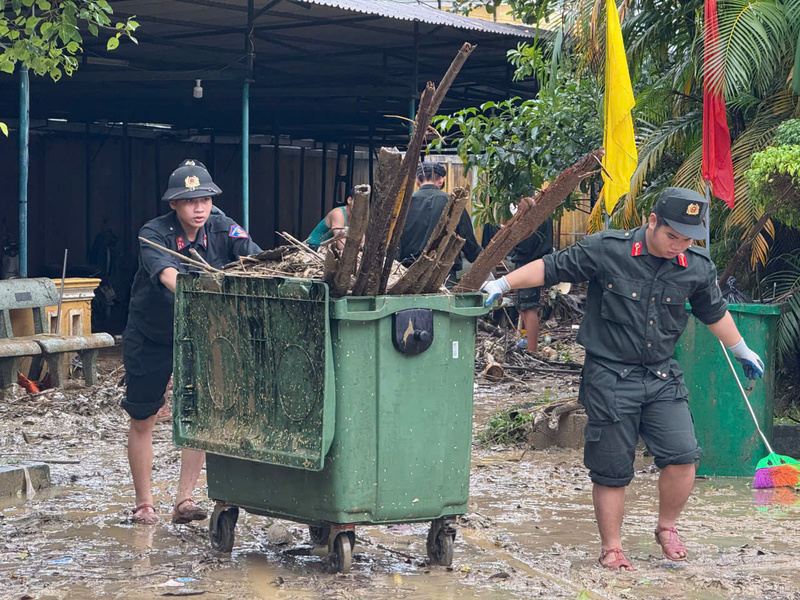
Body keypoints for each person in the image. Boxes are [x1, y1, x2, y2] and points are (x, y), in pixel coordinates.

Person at [481, 187, 765, 570]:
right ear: (652, 221)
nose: (678, 245)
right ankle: (612, 547)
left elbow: (714, 312)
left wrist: (741, 349)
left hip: (661, 374)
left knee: (684, 456)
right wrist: (503, 284)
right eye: (672, 236)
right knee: (613, 468)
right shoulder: (608, 249)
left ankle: (667, 528)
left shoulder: (695, 265)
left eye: (686, 239)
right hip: (610, 375)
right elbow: (552, 267)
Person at [123, 159, 261, 525]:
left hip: (202, 334)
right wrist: (215, 291)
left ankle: (185, 499)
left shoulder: (222, 226)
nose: (199, 208)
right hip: (152, 333)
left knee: (201, 416)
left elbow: (255, 260)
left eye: (205, 199)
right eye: (189, 201)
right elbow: (170, 277)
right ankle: (144, 504)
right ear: (173, 204)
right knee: (143, 416)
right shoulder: (153, 233)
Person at [397, 162, 482, 286]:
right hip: (443, 275)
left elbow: (394, 242)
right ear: (442, 180)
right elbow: (467, 239)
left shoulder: (403, 205)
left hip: (407, 274)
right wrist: (479, 258)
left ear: (417, 180)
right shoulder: (453, 202)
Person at [483, 212, 553, 353]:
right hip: (532, 263)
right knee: (523, 307)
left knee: (528, 308)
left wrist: (512, 235)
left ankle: (532, 350)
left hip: (530, 265)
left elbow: (525, 245)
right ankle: (529, 346)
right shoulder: (543, 215)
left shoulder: (535, 217)